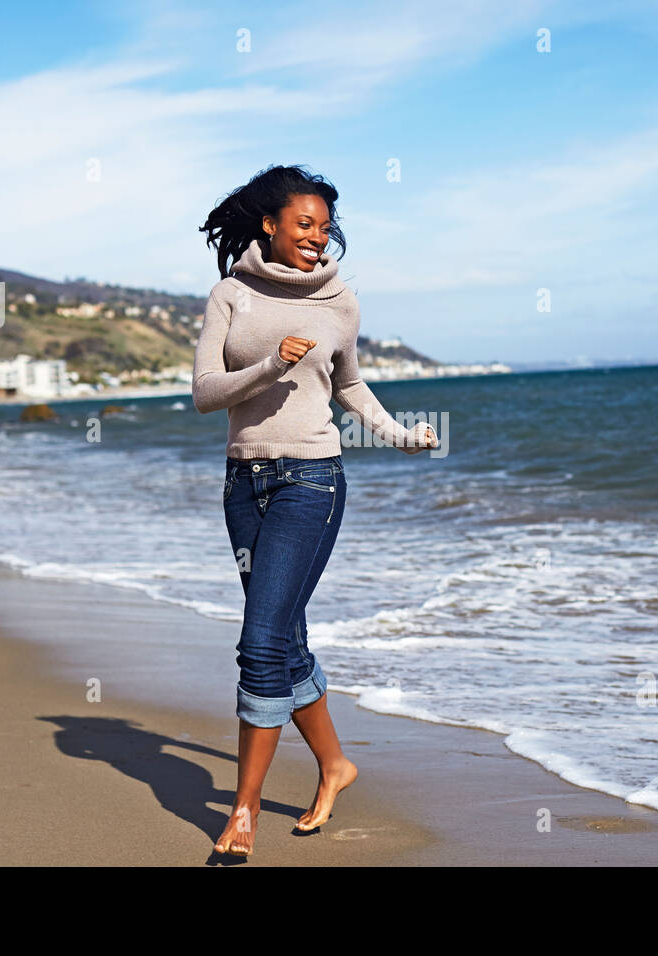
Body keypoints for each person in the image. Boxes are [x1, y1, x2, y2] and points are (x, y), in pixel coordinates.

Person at [194, 164, 438, 857]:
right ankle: (335, 766)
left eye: (326, 228)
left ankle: (243, 814)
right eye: (304, 224)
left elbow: (349, 384)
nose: (316, 238)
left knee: (259, 643)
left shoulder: (339, 302)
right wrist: (270, 365)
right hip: (244, 486)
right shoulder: (230, 295)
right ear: (270, 224)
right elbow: (207, 392)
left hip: (311, 482)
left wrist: (398, 436)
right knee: (283, 638)